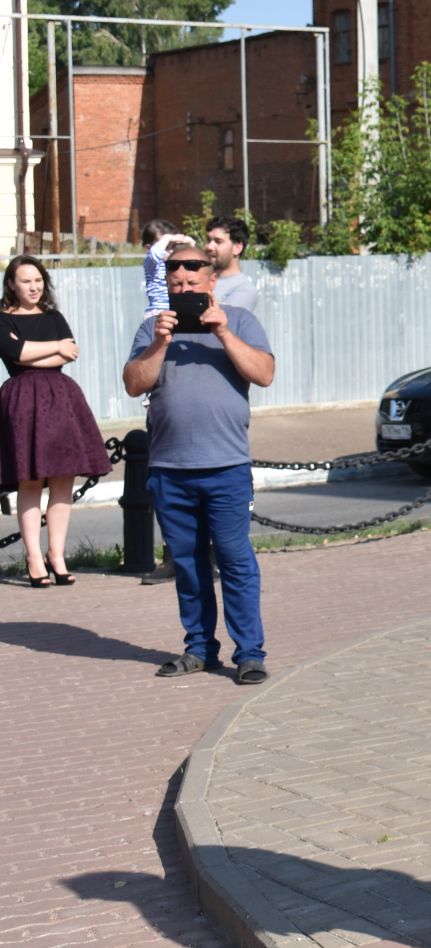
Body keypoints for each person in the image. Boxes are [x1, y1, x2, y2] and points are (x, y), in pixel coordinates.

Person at [124, 244, 276, 684]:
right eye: (177, 284)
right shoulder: (153, 327)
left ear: (212, 283)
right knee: (189, 565)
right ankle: (199, 649)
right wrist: (159, 342)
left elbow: (264, 373)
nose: (185, 289)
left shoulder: (241, 321)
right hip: (170, 470)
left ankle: (249, 653)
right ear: (166, 287)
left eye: (193, 283)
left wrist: (224, 332)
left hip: (226, 466)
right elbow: (134, 384)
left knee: (234, 559)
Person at [0, 255, 111, 587]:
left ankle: (57, 555)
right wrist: (54, 348)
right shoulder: (3, 319)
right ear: (12, 285)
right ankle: (34, 557)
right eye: (26, 281)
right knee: (30, 480)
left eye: (38, 280)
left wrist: (42, 350)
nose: (34, 287)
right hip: (22, 403)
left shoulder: (53, 317)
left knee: (63, 479)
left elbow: (71, 352)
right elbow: (15, 355)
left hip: (61, 400)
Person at [205, 215, 259, 314]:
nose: (209, 247)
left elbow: (221, 325)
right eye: (208, 240)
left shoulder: (244, 290)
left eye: (218, 241)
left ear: (237, 247)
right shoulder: (200, 280)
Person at [140, 218, 194, 317]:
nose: (170, 251)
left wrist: (191, 244)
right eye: (166, 246)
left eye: (173, 246)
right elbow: (155, 253)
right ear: (148, 248)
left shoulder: (175, 264)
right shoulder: (152, 263)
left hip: (176, 312)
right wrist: (168, 237)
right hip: (158, 313)